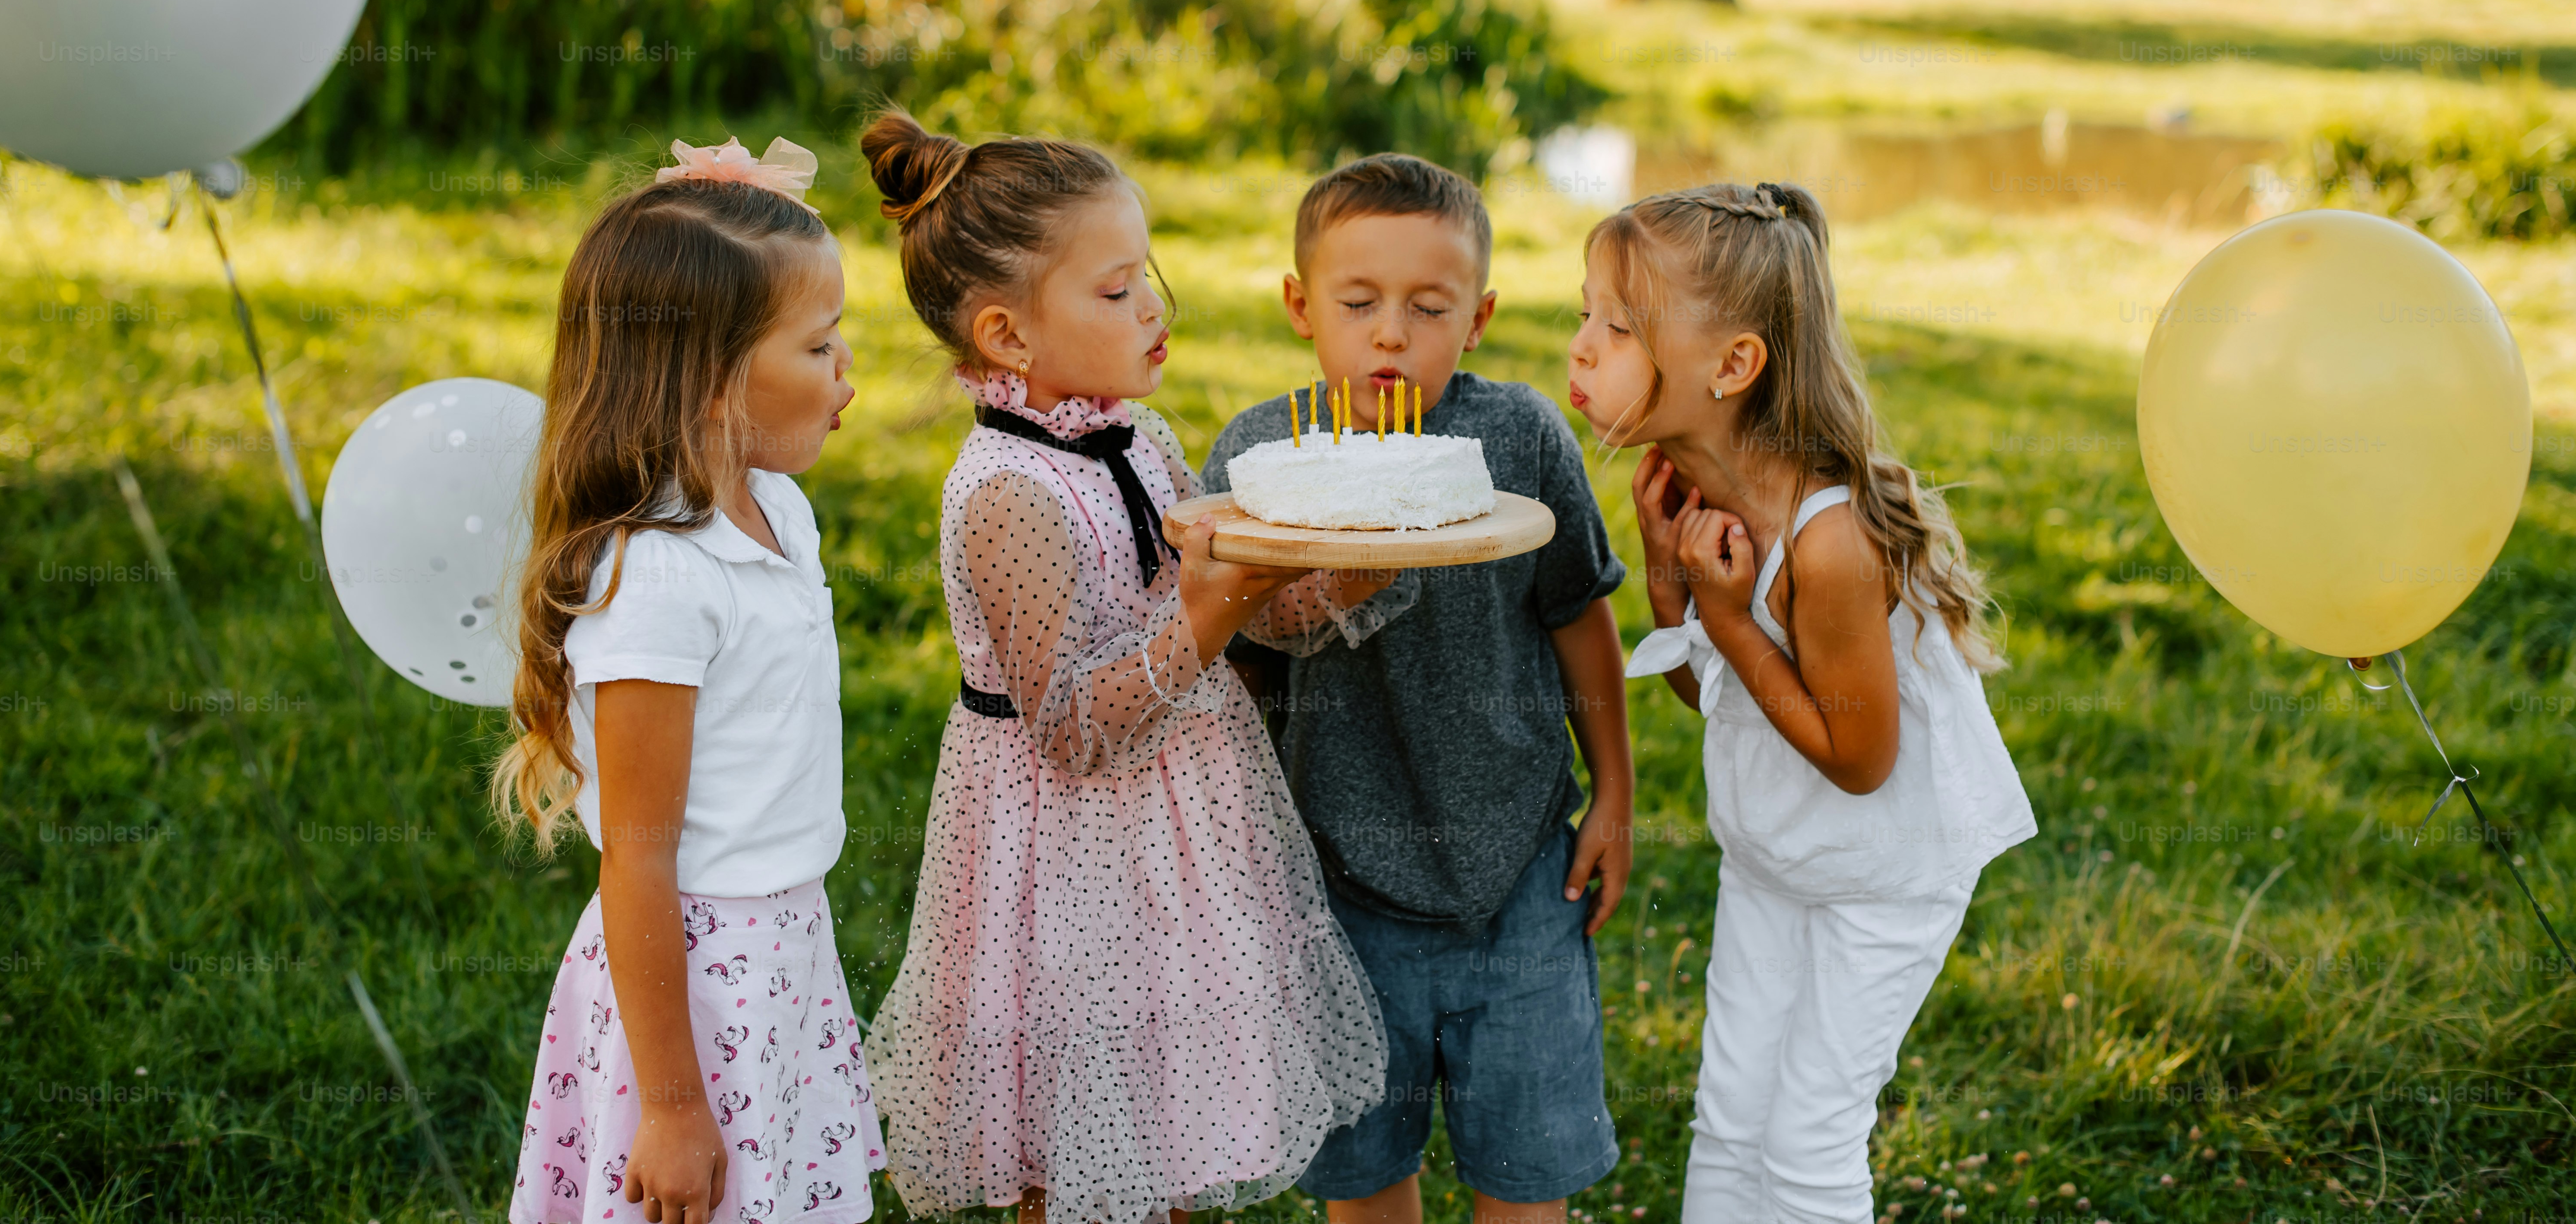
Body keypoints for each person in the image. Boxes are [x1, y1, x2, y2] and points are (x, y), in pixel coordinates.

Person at [855, 109, 1386, 1224]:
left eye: (1147, 274)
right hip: (1062, 855)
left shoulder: (1137, 437)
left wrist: (1349, 568)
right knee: (1075, 1136)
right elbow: (1071, 727)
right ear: (1006, 336)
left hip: (1175, 836)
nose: (1151, 305)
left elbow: (1223, 608)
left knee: (1165, 1127)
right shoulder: (1008, 493)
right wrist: (1217, 604)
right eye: (1112, 290)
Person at [1571, 181, 2038, 1224]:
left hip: (1883, 877)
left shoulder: (1829, 539)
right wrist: (1668, 581)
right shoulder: (1693, 491)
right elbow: (1722, 700)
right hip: (1776, 855)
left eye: (1616, 327)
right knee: (1729, 1114)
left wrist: (1733, 619)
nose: (1580, 348)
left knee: (1807, 1138)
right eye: (1584, 318)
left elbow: (1857, 757)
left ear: (1732, 367)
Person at [1202, 153, 1633, 1221]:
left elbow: (1577, 611)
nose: (1390, 333)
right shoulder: (1260, 458)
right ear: (1301, 306)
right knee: (1364, 1176)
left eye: (1428, 306)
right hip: (1336, 882)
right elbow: (1233, 667)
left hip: (1521, 868)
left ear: (1477, 316)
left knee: (1526, 1177)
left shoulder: (1520, 438)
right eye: (1358, 303)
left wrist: (1614, 793)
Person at [498, 137, 885, 1224]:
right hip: (696, 976)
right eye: (817, 345)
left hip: (783, 947)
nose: (845, 367)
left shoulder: (777, 511)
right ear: (711, 382)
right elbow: (640, 853)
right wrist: (672, 1106)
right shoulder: (658, 580)